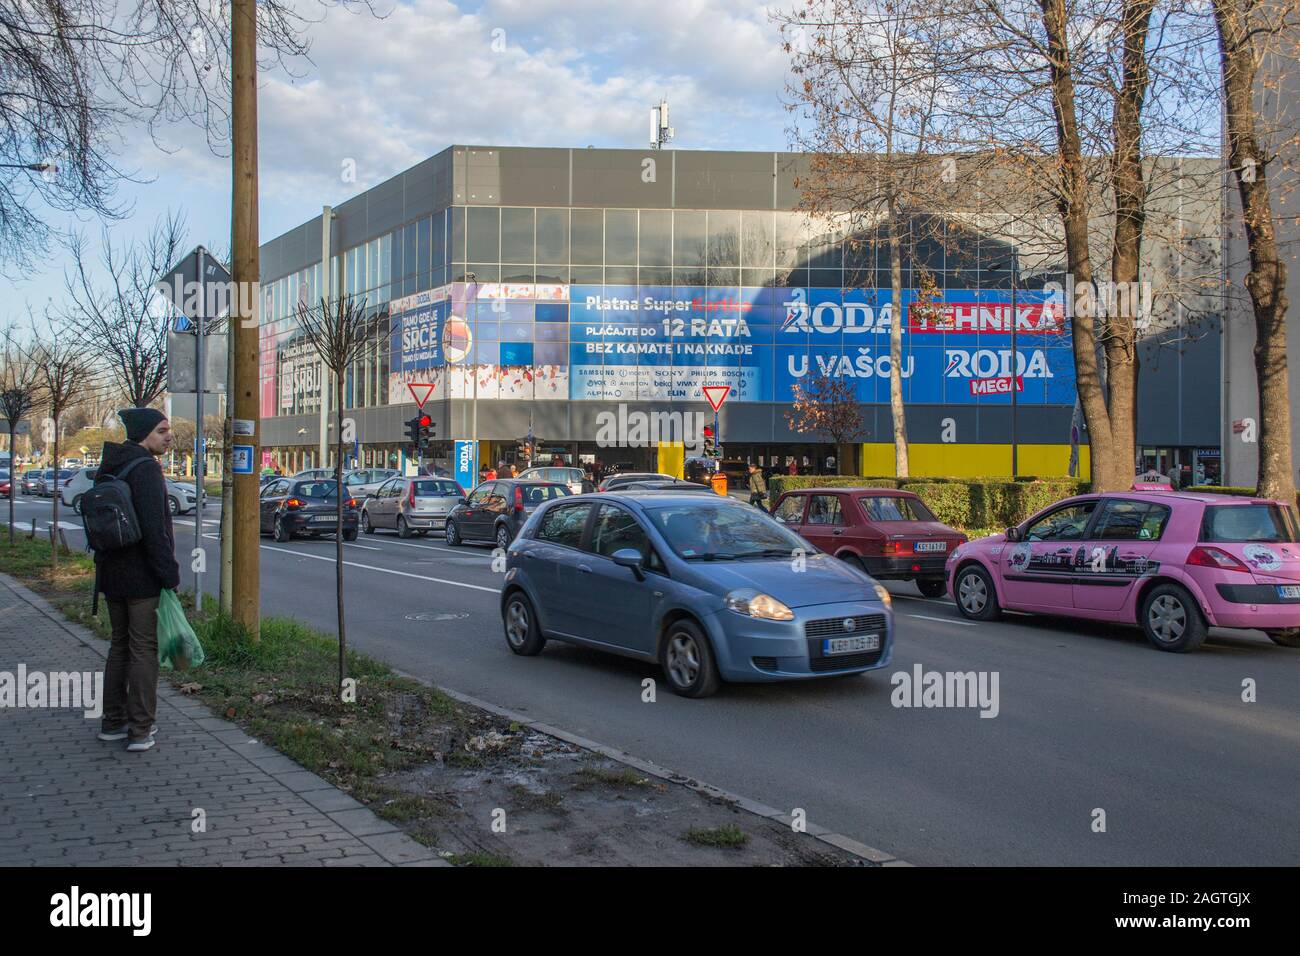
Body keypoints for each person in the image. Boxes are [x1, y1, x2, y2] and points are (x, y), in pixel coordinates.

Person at [95, 408, 181, 753]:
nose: (169, 436)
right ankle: (141, 729)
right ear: (145, 434)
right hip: (141, 576)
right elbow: (154, 532)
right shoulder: (146, 469)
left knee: (119, 646)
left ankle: (112, 723)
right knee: (144, 648)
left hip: (111, 572)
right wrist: (169, 575)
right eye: (162, 431)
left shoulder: (112, 464)